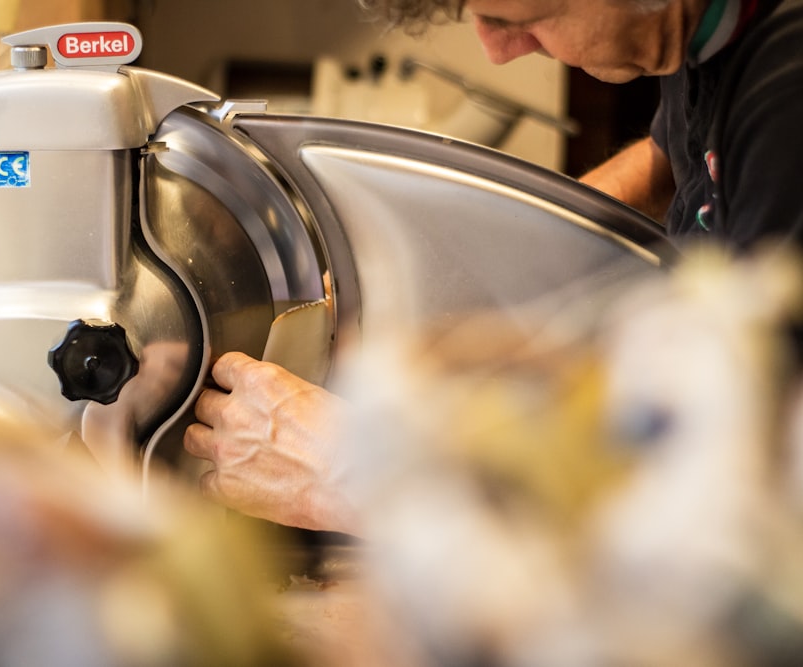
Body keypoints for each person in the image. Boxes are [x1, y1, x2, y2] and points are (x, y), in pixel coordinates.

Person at [183, 0, 803, 533]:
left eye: (522, 17)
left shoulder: (787, 91)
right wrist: (497, 251)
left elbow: (737, 526)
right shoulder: (699, 32)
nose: (501, 49)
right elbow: (671, 161)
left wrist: (353, 471)